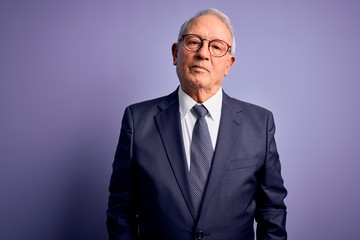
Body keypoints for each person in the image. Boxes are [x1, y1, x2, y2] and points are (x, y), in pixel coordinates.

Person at [107, 8, 287, 240]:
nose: (203, 54)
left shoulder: (260, 124)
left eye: (216, 46)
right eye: (194, 42)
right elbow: (121, 208)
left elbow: (272, 211)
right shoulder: (137, 120)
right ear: (175, 53)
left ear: (229, 64)